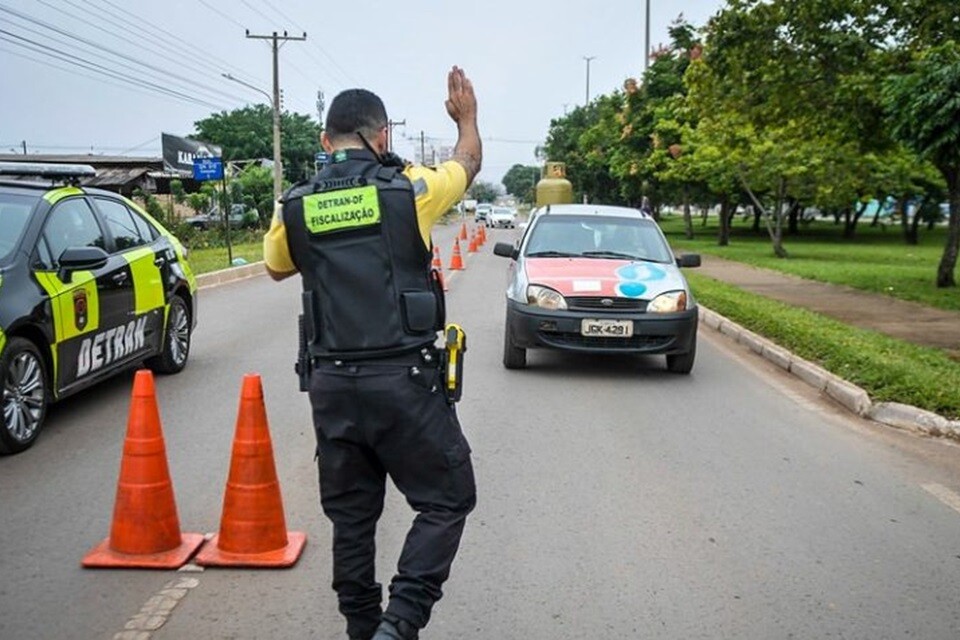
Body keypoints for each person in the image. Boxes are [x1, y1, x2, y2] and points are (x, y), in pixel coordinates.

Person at [262, 66, 481, 640]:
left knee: (352, 518)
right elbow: (470, 162)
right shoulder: (413, 188)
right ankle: (399, 624)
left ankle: (362, 627)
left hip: (332, 385)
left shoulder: (297, 203)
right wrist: (467, 120)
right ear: (382, 136)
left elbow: (276, 267)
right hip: (403, 381)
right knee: (448, 498)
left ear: (323, 140)